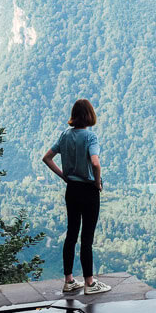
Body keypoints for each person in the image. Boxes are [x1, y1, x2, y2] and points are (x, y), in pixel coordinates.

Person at [42, 98, 111, 295]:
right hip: (88, 191)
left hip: (71, 189)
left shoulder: (64, 135)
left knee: (71, 234)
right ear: (90, 115)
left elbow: (46, 158)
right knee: (86, 238)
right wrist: (97, 182)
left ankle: (69, 280)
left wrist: (64, 176)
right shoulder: (90, 137)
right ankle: (89, 283)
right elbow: (96, 163)